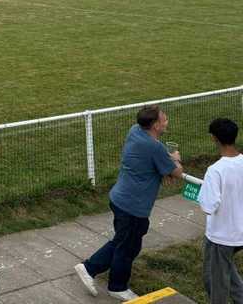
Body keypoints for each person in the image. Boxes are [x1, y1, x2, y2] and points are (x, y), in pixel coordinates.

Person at [75, 104, 183, 301]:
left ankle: (90, 268)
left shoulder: (135, 131)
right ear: (156, 126)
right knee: (128, 247)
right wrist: (175, 159)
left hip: (119, 199)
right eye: (164, 119)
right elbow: (176, 172)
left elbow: (154, 162)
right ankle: (115, 285)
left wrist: (163, 164)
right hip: (133, 207)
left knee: (123, 241)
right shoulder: (154, 147)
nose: (167, 121)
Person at [198, 118, 243, 304]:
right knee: (229, 273)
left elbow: (209, 206)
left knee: (216, 284)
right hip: (239, 233)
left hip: (221, 236)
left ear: (214, 139)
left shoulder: (215, 171)